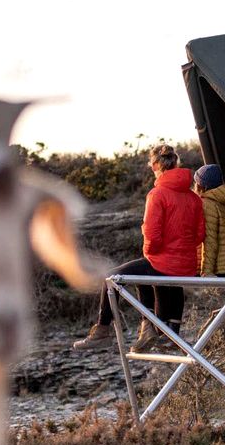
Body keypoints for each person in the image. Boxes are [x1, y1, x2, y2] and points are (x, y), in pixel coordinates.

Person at [74, 144, 205, 350]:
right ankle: (151, 330)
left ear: (155, 165)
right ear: (176, 163)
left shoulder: (157, 194)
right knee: (142, 273)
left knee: (111, 278)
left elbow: (152, 236)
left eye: (151, 164)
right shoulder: (193, 197)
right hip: (186, 265)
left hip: (163, 263)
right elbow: (199, 236)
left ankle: (102, 331)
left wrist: (152, 253)